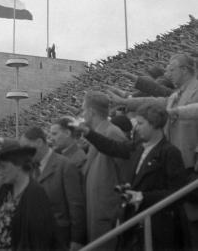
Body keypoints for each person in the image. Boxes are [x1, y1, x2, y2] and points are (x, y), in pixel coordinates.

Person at [108, 53, 198, 248]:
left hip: (192, 165)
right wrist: (126, 102)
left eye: (171, 69)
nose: (168, 72)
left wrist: (176, 112)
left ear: (185, 69)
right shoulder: (175, 95)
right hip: (177, 167)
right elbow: (155, 100)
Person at [75, 102, 187, 251]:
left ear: (154, 124)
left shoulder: (170, 153)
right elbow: (113, 147)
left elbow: (178, 193)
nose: (136, 127)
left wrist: (142, 197)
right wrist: (89, 133)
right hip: (135, 226)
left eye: (140, 123)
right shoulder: (139, 146)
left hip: (157, 228)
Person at [20, 127, 86, 250]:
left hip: (59, 239)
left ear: (39, 142)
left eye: (26, 147)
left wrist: (77, 239)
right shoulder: (31, 168)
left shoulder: (65, 166)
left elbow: (76, 206)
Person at [82, 91, 130, 249]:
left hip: (107, 213)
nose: (82, 114)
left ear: (91, 112)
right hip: (97, 210)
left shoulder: (112, 133)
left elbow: (125, 176)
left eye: (83, 110)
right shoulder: (99, 133)